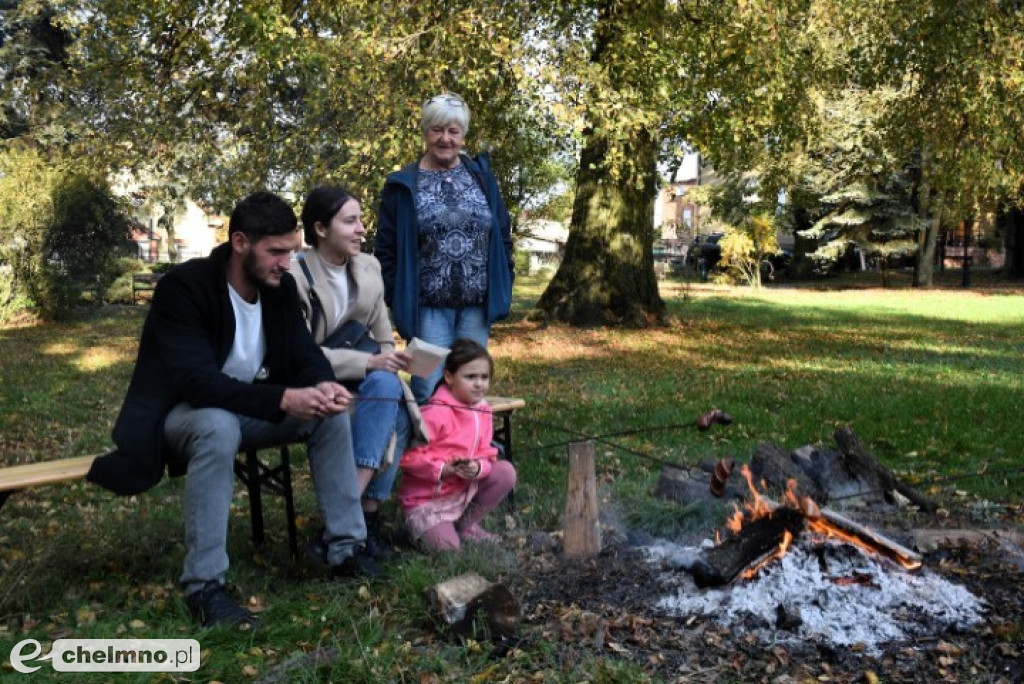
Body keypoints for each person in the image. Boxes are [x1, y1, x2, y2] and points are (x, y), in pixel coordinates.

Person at [87, 191, 378, 630]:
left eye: (292, 252)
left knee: (328, 413)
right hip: (180, 416)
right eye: (276, 252)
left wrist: (323, 386)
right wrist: (282, 398)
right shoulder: (185, 288)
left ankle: (346, 550)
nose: (286, 262)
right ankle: (205, 586)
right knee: (218, 426)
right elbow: (197, 382)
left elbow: (303, 352)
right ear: (241, 242)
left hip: (245, 409)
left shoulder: (279, 288)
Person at [292, 185, 426, 559]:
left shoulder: (369, 266)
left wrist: (390, 359)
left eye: (361, 220)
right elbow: (299, 353)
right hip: (314, 378)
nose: (361, 229)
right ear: (320, 229)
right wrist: (369, 363)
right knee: (391, 399)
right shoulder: (294, 274)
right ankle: (359, 518)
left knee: (391, 392)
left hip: (368, 377)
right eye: (350, 221)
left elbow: (383, 338)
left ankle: (356, 520)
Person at [375, 92, 515, 402]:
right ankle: (427, 449)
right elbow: (385, 249)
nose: (445, 139)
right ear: (425, 132)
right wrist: (395, 293)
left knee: (469, 385)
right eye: (437, 130)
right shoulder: (402, 185)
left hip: (476, 306)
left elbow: (502, 236)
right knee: (428, 386)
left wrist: (506, 278)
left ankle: (467, 447)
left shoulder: (482, 178)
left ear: (463, 135)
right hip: (427, 308)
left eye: (453, 131)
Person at [396, 339, 517, 552]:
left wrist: (478, 468)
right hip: (427, 501)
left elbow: (488, 455)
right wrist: (443, 470)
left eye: (484, 377)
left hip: (461, 493)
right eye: (470, 377)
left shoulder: (484, 410)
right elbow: (407, 457)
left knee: (506, 472)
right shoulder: (435, 413)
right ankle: (417, 528)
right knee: (449, 549)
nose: (479, 384)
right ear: (449, 377)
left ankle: (466, 524)